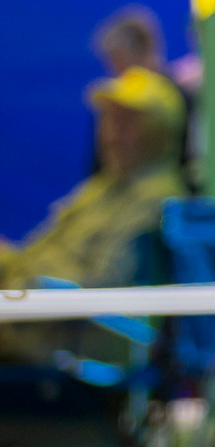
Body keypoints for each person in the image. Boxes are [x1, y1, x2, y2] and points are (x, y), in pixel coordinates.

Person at [0, 68, 188, 332]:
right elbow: (35, 253)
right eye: (109, 120)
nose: (112, 135)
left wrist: (22, 285)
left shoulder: (158, 199)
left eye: (127, 123)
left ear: (160, 131)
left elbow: (100, 285)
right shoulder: (101, 187)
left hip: (55, 337)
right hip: (24, 316)